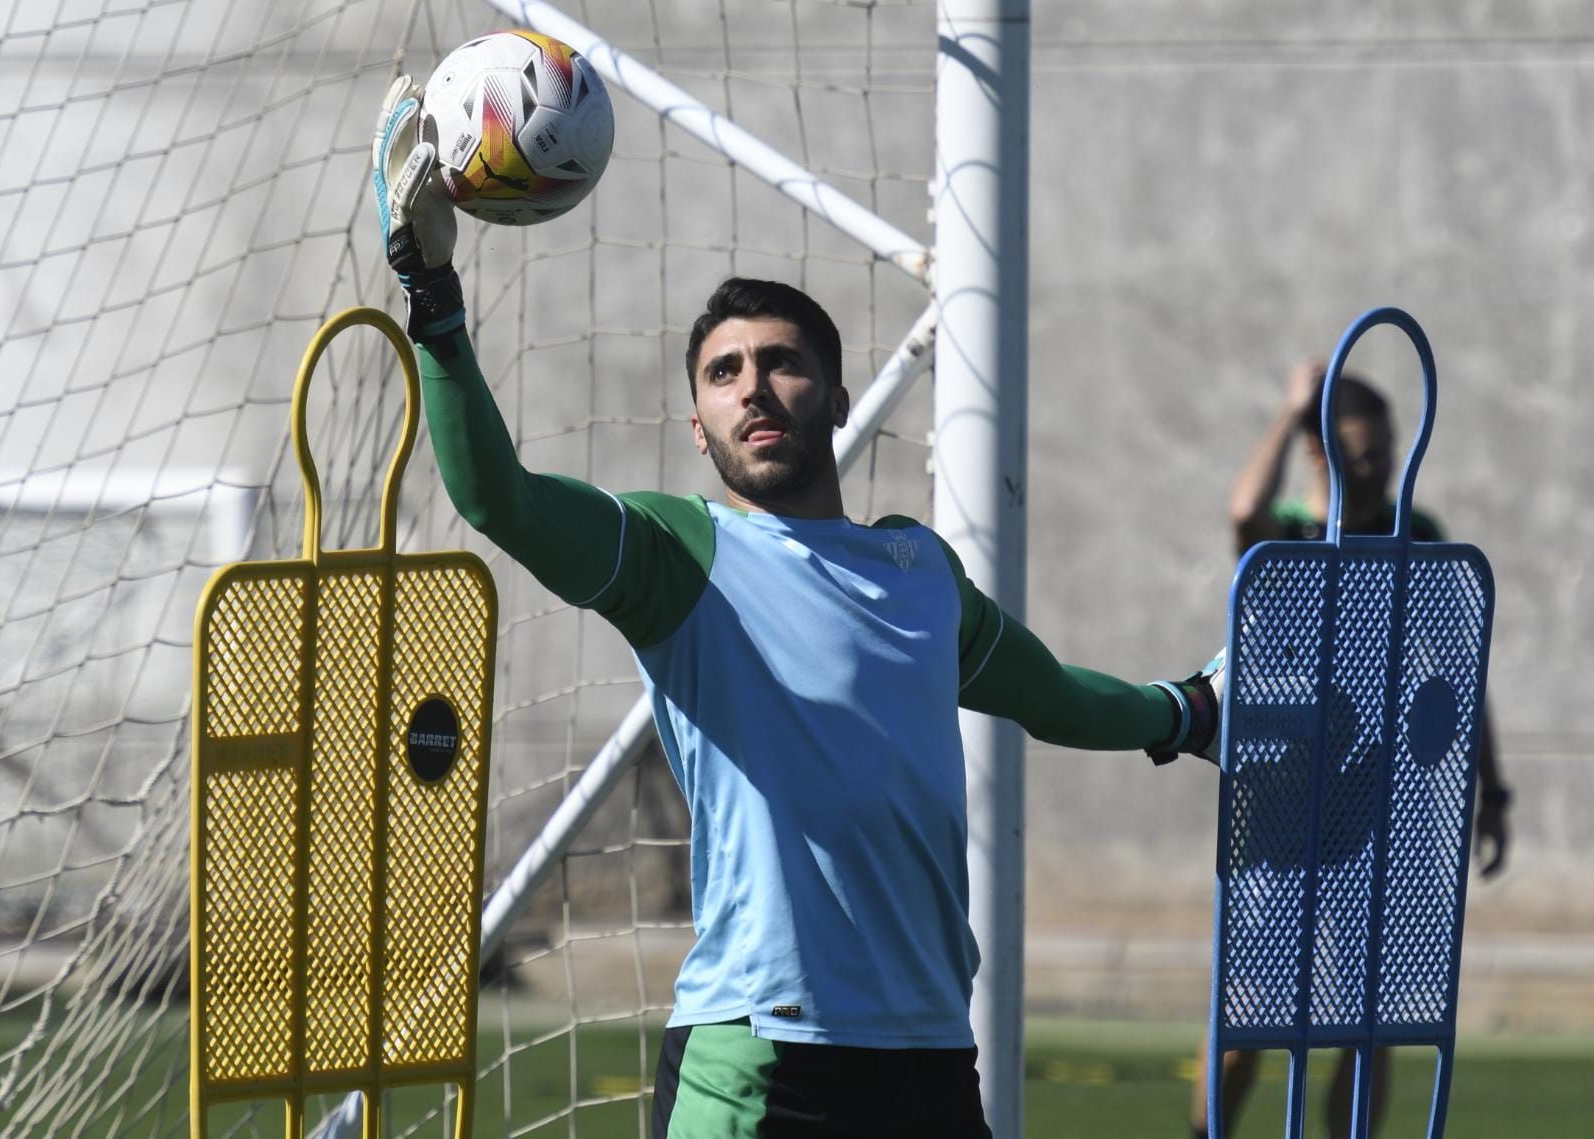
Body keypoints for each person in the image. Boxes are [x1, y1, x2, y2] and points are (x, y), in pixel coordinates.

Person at [373, 78, 1222, 1138]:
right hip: (758, 1054)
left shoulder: (918, 568)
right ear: (698, 424)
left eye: (782, 363)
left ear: (831, 390)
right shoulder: (678, 551)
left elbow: (1050, 696)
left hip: (927, 1057)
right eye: (724, 374)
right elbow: (496, 496)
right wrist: (435, 297)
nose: (754, 387)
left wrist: (1184, 710)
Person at [1187, 359, 1513, 1139]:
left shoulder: (1415, 534)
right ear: (1319, 452)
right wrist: (1292, 408)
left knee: (1370, 1021)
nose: (1377, 468)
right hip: (1278, 812)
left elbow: (1459, 671)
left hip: (1375, 818)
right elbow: (1241, 513)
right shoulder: (1291, 536)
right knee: (1249, 1017)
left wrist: (1490, 788)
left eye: (1386, 450)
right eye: (1360, 452)